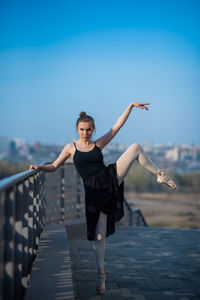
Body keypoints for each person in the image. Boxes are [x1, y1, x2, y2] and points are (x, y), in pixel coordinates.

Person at [29, 102, 177, 295]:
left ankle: (160, 174)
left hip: (109, 178)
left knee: (136, 147)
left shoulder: (98, 144)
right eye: (82, 129)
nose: (85, 132)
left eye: (89, 129)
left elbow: (117, 126)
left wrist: (130, 106)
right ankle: (101, 274)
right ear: (77, 129)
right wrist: (39, 167)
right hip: (93, 193)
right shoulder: (70, 148)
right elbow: (55, 166)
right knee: (99, 236)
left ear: (93, 130)